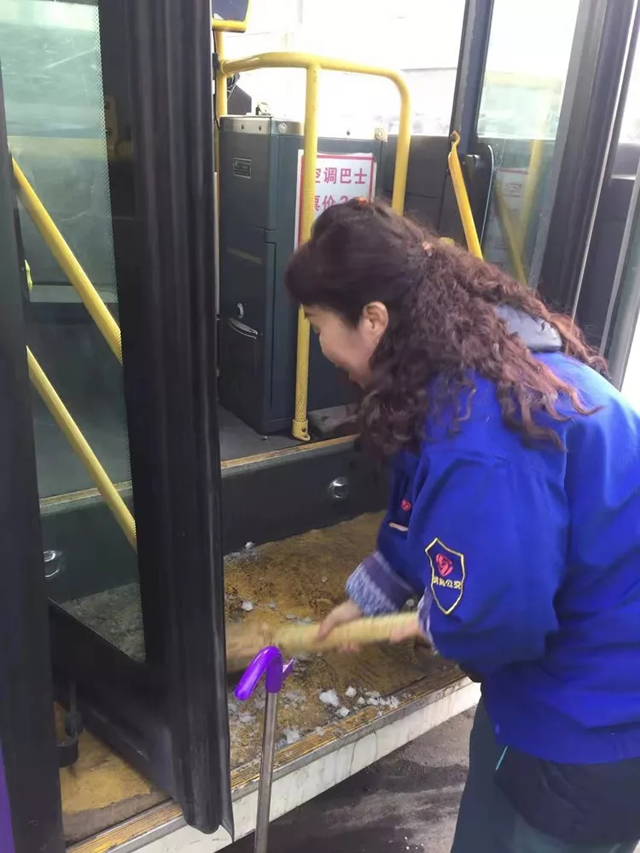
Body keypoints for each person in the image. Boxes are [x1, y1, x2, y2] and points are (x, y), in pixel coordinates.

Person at [284, 198, 640, 853]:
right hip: (553, 697)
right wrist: (373, 594)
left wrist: (433, 621)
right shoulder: (461, 371)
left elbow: (499, 620)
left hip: (591, 726)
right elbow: (424, 503)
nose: (320, 345)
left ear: (373, 319)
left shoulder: (484, 437)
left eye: (316, 324)